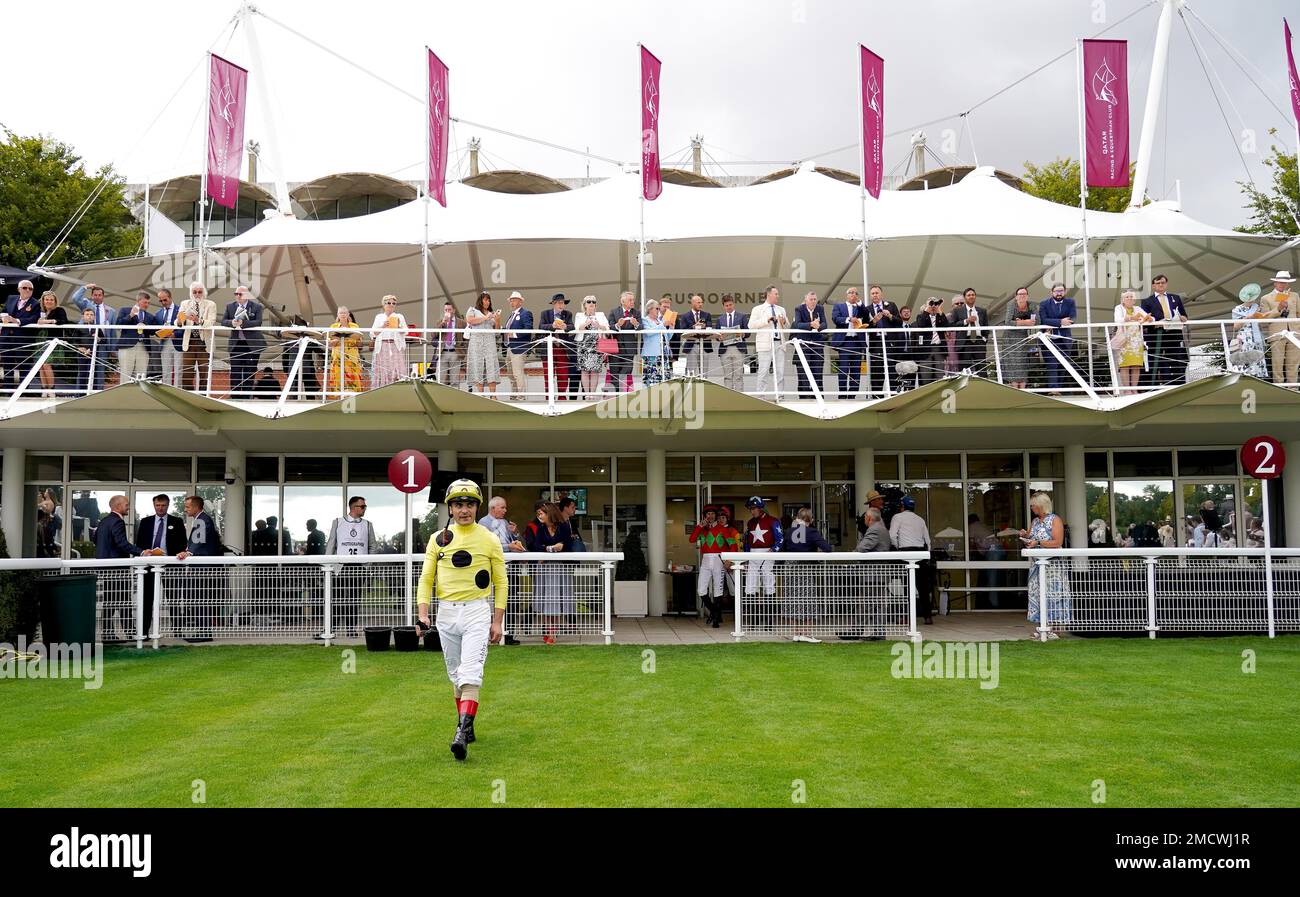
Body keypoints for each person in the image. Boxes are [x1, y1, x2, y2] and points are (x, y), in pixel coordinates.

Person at [416, 479, 508, 761]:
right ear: (450, 508)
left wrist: (497, 621)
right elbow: (426, 578)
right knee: (456, 675)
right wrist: (422, 614)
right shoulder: (436, 539)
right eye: (458, 504)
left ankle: (461, 732)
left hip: (477, 613)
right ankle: (468, 725)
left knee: (470, 673)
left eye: (469, 504)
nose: (464, 510)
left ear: (477, 507)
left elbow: (501, 582)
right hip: (446, 614)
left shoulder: (490, 539)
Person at [94, 495, 162, 640]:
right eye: (126, 504)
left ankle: (109, 635)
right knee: (123, 601)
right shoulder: (117, 521)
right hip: (117, 568)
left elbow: (96, 540)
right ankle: (131, 634)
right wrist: (142, 552)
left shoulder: (104, 521)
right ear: (117, 506)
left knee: (110, 602)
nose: (128, 506)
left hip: (105, 568)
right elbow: (121, 543)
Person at [135, 494, 188, 638]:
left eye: (163, 505)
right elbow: (139, 543)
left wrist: (173, 554)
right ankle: (144, 632)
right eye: (157, 505)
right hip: (149, 564)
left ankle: (177, 631)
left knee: (174, 598)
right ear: (154, 506)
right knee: (147, 598)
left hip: (170, 564)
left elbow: (183, 543)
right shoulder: (145, 522)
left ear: (168, 505)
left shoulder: (176, 521)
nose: (160, 508)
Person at [175, 495, 224, 642]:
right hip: (204, 567)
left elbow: (197, 542)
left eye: (188, 507)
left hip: (202, 568)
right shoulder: (203, 519)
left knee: (198, 598)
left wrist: (188, 552)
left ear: (196, 507)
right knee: (199, 598)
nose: (185, 509)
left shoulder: (202, 520)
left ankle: (204, 632)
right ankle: (203, 631)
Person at [327, 495, 378, 636]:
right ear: (353, 507)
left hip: (359, 566)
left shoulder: (367, 524)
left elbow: (373, 545)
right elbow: (331, 544)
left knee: (354, 599)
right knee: (337, 599)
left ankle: (351, 629)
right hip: (341, 567)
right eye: (362, 506)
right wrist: (328, 565)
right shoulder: (338, 522)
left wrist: (367, 564)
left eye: (365, 506)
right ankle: (332, 629)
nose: (364, 509)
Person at [1022, 491, 1070, 638]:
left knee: (1054, 595)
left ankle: (1055, 629)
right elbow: (1031, 537)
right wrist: (1025, 536)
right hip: (1037, 565)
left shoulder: (1055, 520)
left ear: (1041, 506)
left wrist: (1038, 543)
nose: (1031, 508)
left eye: (1033, 505)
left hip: (1053, 566)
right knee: (1039, 595)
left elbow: (1057, 542)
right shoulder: (1035, 522)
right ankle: (1042, 626)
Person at [480, 496, 525, 645]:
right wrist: (508, 547)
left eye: (505, 507)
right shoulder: (483, 523)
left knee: (512, 599)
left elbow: (512, 541)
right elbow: (488, 545)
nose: (505, 510)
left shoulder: (505, 522)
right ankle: (489, 632)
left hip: (511, 565)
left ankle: (509, 634)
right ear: (493, 508)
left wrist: (515, 533)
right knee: (492, 600)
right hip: (494, 566)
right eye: (502, 507)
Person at [784, 506, 832, 642]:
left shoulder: (788, 531)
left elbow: (782, 550)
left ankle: (795, 633)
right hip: (804, 569)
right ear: (810, 519)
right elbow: (827, 548)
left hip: (790, 568)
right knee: (807, 599)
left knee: (792, 598)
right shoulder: (811, 531)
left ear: (797, 518)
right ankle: (806, 633)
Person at [529, 501, 572, 645]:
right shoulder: (541, 528)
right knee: (546, 598)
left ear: (550, 513)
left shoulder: (564, 527)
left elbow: (567, 546)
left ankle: (553, 632)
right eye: (538, 513)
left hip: (560, 569)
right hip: (544, 569)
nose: (539, 515)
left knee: (557, 598)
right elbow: (535, 546)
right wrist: (551, 549)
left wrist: (550, 549)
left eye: (542, 512)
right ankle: (548, 630)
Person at [889, 495, 933, 625]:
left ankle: (907, 617)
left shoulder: (897, 517)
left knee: (907, 587)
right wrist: (926, 554)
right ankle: (928, 616)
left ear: (902, 506)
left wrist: (898, 548)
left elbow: (892, 535)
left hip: (905, 553)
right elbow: (928, 540)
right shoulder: (920, 519)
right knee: (923, 588)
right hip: (920, 554)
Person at [690, 505, 736, 628]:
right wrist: (699, 526)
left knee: (718, 589)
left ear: (715, 516)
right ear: (704, 516)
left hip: (718, 559)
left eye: (712, 514)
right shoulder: (701, 529)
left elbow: (732, 545)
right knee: (701, 589)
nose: (710, 516)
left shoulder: (723, 529)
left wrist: (729, 560)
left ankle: (716, 619)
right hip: (705, 560)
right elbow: (692, 539)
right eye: (707, 514)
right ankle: (715, 612)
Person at [1140, 274, 1189, 386]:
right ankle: (1157, 385)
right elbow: (1145, 319)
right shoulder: (1147, 301)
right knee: (1158, 361)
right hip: (1156, 335)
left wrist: (1182, 318)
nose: (1161, 285)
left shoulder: (1175, 298)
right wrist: (1155, 323)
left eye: (1163, 282)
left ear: (1166, 284)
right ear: (1153, 286)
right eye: (1158, 283)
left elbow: (1184, 315)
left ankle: (1178, 384)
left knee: (1176, 358)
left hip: (1174, 333)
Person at [222, 285, 266, 395]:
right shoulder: (230, 306)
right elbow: (223, 321)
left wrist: (244, 323)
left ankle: (247, 396)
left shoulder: (256, 307)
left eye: (240, 294)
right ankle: (235, 396)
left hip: (252, 344)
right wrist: (231, 323)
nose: (237, 296)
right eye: (236, 294)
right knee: (235, 371)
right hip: (236, 343)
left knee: (249, 371)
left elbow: (258, 322)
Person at [1258, 271, 1299, 386]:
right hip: (1277, 333)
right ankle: (1279, 387)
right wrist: (1278, 309)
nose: (1283, 285)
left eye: (1285, 282)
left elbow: (1298, 313)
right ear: (1275, 283)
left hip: (1295, 333)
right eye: (1280, 282)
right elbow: (1264, 319)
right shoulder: (1266, 298)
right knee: (1277, 363)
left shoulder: (1294, 295)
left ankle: (1293, 388)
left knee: (1293, 363)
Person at [1036, 282, 1077, 392]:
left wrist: (1054, 321)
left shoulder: (1070, 302)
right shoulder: (1044, 304)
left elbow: (1072, 318)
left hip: (1064, 339)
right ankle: (1054, 390)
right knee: (1052, 365)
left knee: (1063, 366)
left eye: (1061, 291)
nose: (1059, 293)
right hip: (1049, 340)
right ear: (1051, 292)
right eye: (1057, 291)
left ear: (1065, 291)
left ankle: (1059, 389)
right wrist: (1060, 321)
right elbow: (1043, 319)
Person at [749, 285, 789, 398]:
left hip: (779, 343)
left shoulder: (781, 309)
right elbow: (751, 325)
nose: (778, 296)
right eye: (776, 294)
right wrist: (767, 320)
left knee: (780, 371)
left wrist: (783, 322)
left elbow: (788, 328)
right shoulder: (758, 309)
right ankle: (761, 396)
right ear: (768, 294)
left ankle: (780, 396)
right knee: (763, 371)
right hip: (765, 344)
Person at [742, 495, 782, 603]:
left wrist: (773, 550)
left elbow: (780, 539)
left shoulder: (773, 520)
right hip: (752, 555)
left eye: (754, 508)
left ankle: (769, 615)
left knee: (768, 583)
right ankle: (753, 616)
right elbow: (747, 541)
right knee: (750, 584)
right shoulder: (750, 522)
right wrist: (746, 557)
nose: (752, 511)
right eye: (750, 509)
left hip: (768, 553)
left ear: (760, 508)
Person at [1, 280, 41, 388]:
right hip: (7, 338)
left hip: (24, 340)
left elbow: (34, 319)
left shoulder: (36, 303)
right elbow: (4, 311)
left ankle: (23, 392)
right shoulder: (11, 298)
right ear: (19, 289)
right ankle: (7, 391)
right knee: (8, 366)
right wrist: (3, 317)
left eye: (30, 289)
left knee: (24, 367)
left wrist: (17, 320)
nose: (27, 290)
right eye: (25, 288)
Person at [863, 285, 902, 397]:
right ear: (870, 296)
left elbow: (899, 323)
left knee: (891, 370)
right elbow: (865, 328)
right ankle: (877, 397)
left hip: (889, 342)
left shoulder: (891, 305)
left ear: (881, 294)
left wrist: (890, 316)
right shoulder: (867, 309)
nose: (875, 295)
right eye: (873, 293)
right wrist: (874, 322)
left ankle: (894, 396)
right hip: (876, 343)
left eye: (877, 293)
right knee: (877, 372)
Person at [179, 281, 217, 393]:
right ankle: (188, 396)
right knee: (187, 372)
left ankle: (203, 397)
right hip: (189, 342)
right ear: (191, 293)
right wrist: (180, 320)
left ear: (203, 293)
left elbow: (211, 322)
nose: (197, 294)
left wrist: (198, 320)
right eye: (194, 292)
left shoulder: (211, 304)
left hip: (204, 343)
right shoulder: (185, 303)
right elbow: (178, 322)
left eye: (199, 292)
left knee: (204, 373)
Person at [1112, 289, 1152, 393]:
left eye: (1131, 297)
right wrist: (1131, 318)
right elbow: (1117, 320)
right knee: (1124, 365)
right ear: (1123, 299)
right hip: (1124, 340)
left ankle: (1134, 388)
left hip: (1137, 340)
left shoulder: (1138, 308)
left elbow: (1147, 318)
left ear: (1134, 300)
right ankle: (1127, 389)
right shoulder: (1119, 308)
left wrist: (1150, 319)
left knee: (1136, 365)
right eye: (1127, 297)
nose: (1130, 299)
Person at [830, 287, 866, 399]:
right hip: (844, 342)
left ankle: (852, 395)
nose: (853, 295)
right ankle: (842, 395)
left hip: (857, 342)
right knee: (843, 370)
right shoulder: (839, 306)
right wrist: (849, 319)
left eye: (856, 293)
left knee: (856, 371)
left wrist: (860, 304)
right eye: (851, 293)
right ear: (847, 295)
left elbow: (866, 315)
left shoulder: (859, 307)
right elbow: (835, 318)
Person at [538, 293, 576, 398]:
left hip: (562, 348)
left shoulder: (568, 314)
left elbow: (572, 326)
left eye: (563, 303)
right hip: (548, 348)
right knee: (548, 375)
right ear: (553, 304)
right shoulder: (545, 314)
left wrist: (565, 327)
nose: (561, 305)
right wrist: (552, 326)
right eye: (559, 303)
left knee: (563, 375)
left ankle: (562, 397)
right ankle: (549, 397)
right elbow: (541, 326)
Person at [791, 290, 828, 398]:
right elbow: (797, 324)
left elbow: (825, 324)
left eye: (815, 299)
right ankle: (804, 397)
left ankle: (818, 397)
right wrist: (811, 324)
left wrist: (819, 327)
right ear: (805, 300)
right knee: (804, 375)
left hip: (817, 345)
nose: (813, 301)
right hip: (804, 345)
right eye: (811, 299)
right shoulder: (799, 309)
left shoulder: (820, 308)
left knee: (818, 373)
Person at [1229, 283, 1270, 379]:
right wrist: (1248, 317)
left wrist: (1261, 315)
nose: (1253, 300)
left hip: (1257, 338)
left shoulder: (1257, 307)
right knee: (1246, 359)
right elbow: (1235, 326)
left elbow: (1263, 323)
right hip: (1245, 339)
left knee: (1258, 358)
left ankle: (1259, 377)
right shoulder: (1237, 309)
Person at [465, 291, 502, 397]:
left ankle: (493, 395)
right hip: (476, 342)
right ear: (480, 300)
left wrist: (498, 320)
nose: (488, 302)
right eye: (485, 299)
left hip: (490, 342)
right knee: (477, 366)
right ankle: (481, 394)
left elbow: (497, 331)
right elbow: (470, 320)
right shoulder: (472, 310)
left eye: (489, 300)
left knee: (491, 366)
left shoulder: (492, 313)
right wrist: (486, 318)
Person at [32, 292, 69, 397]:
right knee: (40, 366)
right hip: (40, 340)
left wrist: (48, 321)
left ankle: (51, 390)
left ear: (55, 301)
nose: (49, 301)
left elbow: (63, 321)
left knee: (47, 365)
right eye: (47, 299)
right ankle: (44, 389)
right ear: (43, 301)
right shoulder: (40, 312)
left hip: (53, 341)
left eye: (51, 300)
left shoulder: (59, 310)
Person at [574, 295, 611, 398]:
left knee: (595, 371)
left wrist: (598, 325)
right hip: (583, 346)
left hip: (597, 345)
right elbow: (577, 328)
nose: (591, 304)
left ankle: (593, 394)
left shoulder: (600, 315)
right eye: (589, 302)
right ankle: (587, 394)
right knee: (585, 370)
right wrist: (587, 323)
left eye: (593, 302)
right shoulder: (579, 315)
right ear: (584, 305)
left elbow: (607, 328)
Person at [369, 294, 408, 388]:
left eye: (394, 303)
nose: (391, 305)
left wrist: (398, 326)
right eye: (389, 303)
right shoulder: (379, 317)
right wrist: (383, 326)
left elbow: (405, 331)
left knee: (396, 368)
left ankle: (397, 387)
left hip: (395, 345)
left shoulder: (399, 316)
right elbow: (373, 333)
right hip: (382, 346)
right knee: (383, 368)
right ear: (384, 305)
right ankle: (382, 387)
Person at [115, 292, 155, 382]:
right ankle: (124, 395)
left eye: (148, 303)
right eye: (145, 302)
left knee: (141, 375)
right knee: (126, 373)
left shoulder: (150, 316)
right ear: (138, 301)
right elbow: (118, 325)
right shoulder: (125, 310)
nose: (147, 305)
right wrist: (131, 315)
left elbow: (154, 332)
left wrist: (146, 328)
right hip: (127, 346)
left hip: (143, 347)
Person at [1002, 288, 1037, 389]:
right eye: (1020, 294)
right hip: (1010, 338)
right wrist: (1024, 322)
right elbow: (1008, 322)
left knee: (1023, 363)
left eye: (1024, 294)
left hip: (1022, 337)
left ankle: (1022, 389)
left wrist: (1019, 321)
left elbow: (1037, 321)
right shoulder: (1011, 304)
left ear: (1027, 295)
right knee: (1012, 364)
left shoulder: (1032, 305)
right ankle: (1014, 390)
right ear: (1016, 296)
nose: (1022, 296)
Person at [949, 288, 989, 375]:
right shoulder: (957, 311)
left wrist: (984, 339)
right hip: (964, 342)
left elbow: (986, 327)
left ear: (975, 297)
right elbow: (952, 326)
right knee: (964, 370)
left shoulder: (982, 311)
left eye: (973, 295)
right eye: (969, 295)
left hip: (979, 341)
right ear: (965, 297)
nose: (971, 296)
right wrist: (966, 321)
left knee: (982, 368)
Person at [502, 291, 534, 397]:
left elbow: (528, 329)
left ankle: (521, 395)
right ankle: (514, 394)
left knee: (517, 373)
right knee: (511, 374)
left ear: (520, 302)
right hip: (509, 347)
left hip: (519, 348)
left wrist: (514, 334)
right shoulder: (512, 315)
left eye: (514, 300)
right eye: (511, 300)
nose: (512, 302)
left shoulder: (526, 313)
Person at [713, 294, 747, 392]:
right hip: (725, 349)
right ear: (724, 306)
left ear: (734, 304)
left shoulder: (742, 316)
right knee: (727, 375)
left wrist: (741, 334)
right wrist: (719, 337)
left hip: (738, 348)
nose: (729, 307)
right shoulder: (720, 319)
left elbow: (748, 332)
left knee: (739, 375)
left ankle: (740, 397)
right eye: (727, 305)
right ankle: (729, 397)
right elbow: (716, 335)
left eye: (730, 305)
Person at [325, 307, 363, 395]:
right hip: (337, 355)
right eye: (341, 313)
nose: (343, 314)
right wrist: (338, 340)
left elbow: (360, 344)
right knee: (337, 375)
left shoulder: (354, 326)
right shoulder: (333, 327)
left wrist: (353, 338)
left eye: (344, 313)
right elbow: (329, 343)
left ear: (348, 314)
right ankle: (337, 398)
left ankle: (354, 396)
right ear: (338, 315)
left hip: (352, 356)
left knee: (354, 376)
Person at [607, 291, 640, 392]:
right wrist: (618, 325)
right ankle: (615, 395)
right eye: (630, 300)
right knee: (614, 371)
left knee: (627, 370)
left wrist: (636, 324)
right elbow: (610, 326)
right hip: (616, 347)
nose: (632, 302)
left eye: (633, 300)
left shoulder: (636, 313)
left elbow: (641, 326)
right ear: (622, 301)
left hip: (629, 347)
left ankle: (617, 388)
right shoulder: (614, 311)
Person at [676, 293, 713, 377]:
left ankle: (703, 389)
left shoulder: (707, 315)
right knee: (691, 372)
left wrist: (705, 326)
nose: (700, 304)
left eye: (701, 302)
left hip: (704, 345)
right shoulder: (685, 316)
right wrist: (693, 327)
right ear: (692, 303)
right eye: (698, 302)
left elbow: (710, 328)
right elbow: (682, 331)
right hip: (691, 346)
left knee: (704, 373)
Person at [914, 298, 949, 385]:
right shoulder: (921, 316)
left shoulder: (940, 317)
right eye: (931, 304)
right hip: (926, 349)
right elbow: (921, 324)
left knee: (939, 374)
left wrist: (939, 310)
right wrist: (927, 310)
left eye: (935, 304)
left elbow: (946, 326)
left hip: (939, 348)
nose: (933, 306)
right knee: (926, 374)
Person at [639, 299, 670, 386]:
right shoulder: (645, 320)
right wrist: (663, 325)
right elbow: (648, 332)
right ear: (650, 309)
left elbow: (668, 337)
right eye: (657, 309)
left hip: (663, 354)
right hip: (651, 355)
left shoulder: (660, 321)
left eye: (659, 309)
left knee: (662, 379)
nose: (658, 311)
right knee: (651, 379)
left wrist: (671, 327)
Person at [433, 301, 462, 386]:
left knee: (455, 381)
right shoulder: (440, 321)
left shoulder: (461, 322)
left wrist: (462, 350)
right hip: (443, 352)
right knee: (440, 379)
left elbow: (466, 337)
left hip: (455, 352)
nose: (447, 311)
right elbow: (434, 335)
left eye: (449, 309)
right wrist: (442, 323)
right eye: (446, 310)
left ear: (454, 310)